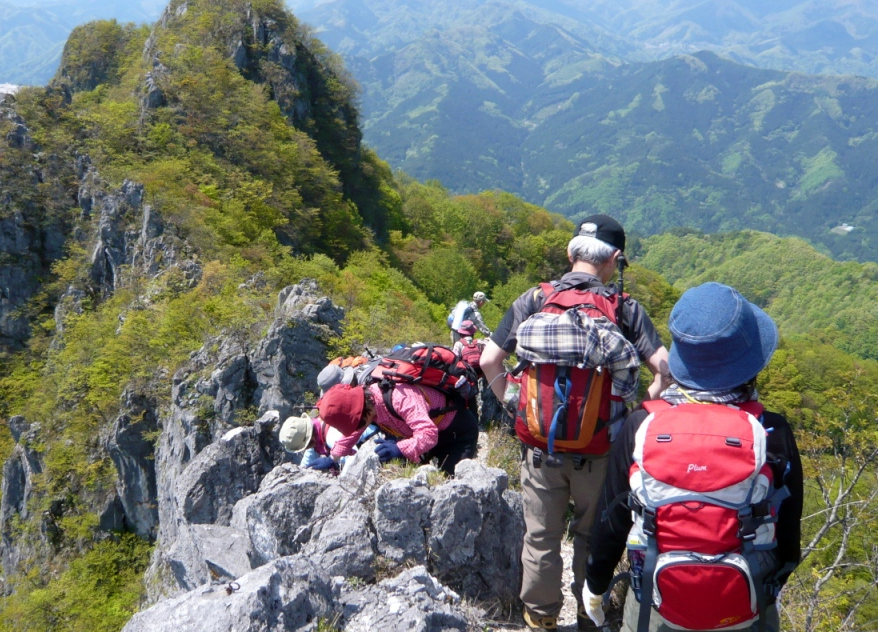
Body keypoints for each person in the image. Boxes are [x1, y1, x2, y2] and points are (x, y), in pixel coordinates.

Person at [480, 214, 670, 631]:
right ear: (615, 259)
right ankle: (589, 619)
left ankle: (541, 619)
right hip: (600, 451)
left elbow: (488, 360)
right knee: (590, 538)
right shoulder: (624, 310)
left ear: (570, 254)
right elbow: (665, 368)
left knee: (541, 538)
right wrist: (639, 412)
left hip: (540, 449)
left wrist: (515, 404)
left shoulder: (534, 300)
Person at [583, 283, 803, 632]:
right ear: (749, 363)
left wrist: (595, 586)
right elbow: (789, 537)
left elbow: (612, 520)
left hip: (655, 604)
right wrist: (768, 587)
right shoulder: (771, 432)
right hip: (747, 606)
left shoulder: (642, 424)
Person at [319, 382, 478, 476]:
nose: (359, 428)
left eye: (358, 423)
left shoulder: (400, 398)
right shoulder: (369, 405)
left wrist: (399, 449)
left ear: (361, 411)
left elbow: (428, 435)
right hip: (433, 435)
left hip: (458, 433)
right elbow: (355, 431)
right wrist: (333, 458)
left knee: (450, 479)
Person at [278, 412, 377, 471]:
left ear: (310, 441)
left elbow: (353, 458)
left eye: (306, 446)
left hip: (374, 443)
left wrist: (342, 483)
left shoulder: (331, 435)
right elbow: (307, 462)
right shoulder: (318, 430)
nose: (308, 449)